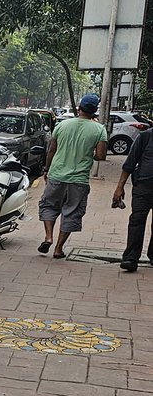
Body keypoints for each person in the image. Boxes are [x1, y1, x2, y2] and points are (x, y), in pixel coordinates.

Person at [37, 92, 108, 258]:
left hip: (56, 175)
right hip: (79, 180)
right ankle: (58, 249)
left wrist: (47, 169)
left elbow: (51, 150)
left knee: (49, 206)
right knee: (72, 212)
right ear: (94, 111)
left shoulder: (63, 125)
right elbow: (101, 156)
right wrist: (87, 151)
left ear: (79, 108)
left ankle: (48, 237)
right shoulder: (99, 129)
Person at [111, 123, 153, 271]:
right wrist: (119, 187)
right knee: (137, 220)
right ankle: (130, 258)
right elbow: (130, 163)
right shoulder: (146, 137)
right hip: (143, 187)